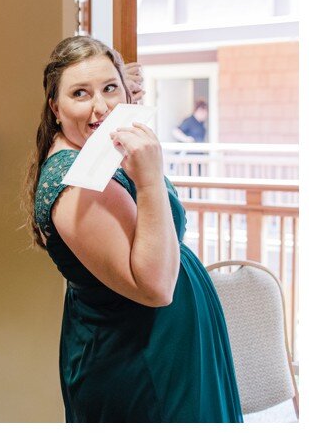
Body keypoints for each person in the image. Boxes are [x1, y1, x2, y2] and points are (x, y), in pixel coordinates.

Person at [25, 35, 241, 422]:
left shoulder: (98, 153)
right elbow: (155, 287)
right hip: (142, 360)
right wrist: (149, 180)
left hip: (168, 346)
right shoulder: (77, 184)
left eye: (110, 88)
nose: (101, 106)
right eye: (80, 93)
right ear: (55, 108)